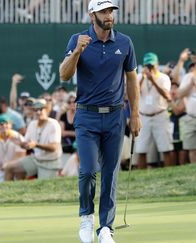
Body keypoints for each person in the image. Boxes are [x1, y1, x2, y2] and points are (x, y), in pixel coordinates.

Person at [59, 0, 141, 242]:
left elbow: (132, 80)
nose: (109, 16)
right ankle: (86, 217)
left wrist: (134, 114)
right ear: (91, 14)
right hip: (86, 114)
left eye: (111, 11)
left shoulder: (125, 42)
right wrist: (77, 52)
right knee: (87, 171)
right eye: (104, 11)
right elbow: (64, 74)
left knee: (110, 173)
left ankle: (106, 227)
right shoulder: (77, 39)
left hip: (116, 115)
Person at [4, 99, 63, 181]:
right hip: (36, 159)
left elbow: (53, 148)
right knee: (9, 168)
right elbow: (27, 144)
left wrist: (36, 144)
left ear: (47, 109)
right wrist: (21, 144)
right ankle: (9, 192)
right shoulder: (32, 124)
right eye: (35, 110)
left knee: (44, 188)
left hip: (51, 162)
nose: (38, 112)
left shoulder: (53, 124)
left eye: (41, 109)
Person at [136, 52, 173, 169]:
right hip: (143, 116)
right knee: (141, 149)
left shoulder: (163, 78)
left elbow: (167, 96)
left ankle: (168, 173)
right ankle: (141, 175)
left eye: (152, 65)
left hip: (160, 115)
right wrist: (143, 78)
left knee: (166, 148)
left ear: (157, 64)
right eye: (147, 66)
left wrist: (153, 81)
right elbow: (134, 94)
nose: (150, 68)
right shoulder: (139, 77)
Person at [0, 114, 26, 182]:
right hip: (0, 170)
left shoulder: (18, 137)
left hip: (17, 169)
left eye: (6, 123)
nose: (4, 126)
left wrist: (8, 165)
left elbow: (22, 156)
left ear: (11, 125)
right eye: (1, 124)